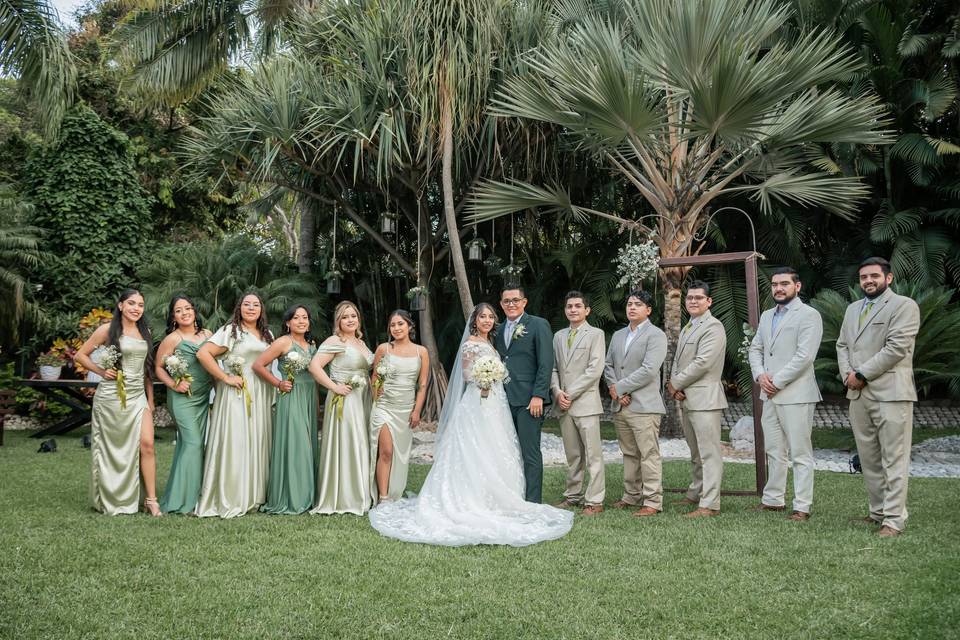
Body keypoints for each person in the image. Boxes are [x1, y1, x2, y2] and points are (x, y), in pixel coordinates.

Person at [368, 303, 573, 546]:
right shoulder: (471, 344)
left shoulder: (491, 344)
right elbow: (467, 375)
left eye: (490, 317)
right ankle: (469, 499)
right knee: (474, 448)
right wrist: (484, 377)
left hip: (496, 404)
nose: (486, 320)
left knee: (495, 448)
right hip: (477, 403)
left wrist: (494, 376)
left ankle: (496, 497)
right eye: (482, 317)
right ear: (474, 321)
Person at [836, 257, 920, 537]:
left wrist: (860, 374)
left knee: (893, 458)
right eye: (863, 277)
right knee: (869, 458)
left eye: (874, 276)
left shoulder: (904, 306)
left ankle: (894, 520)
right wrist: (848, 374)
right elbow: (842, 344)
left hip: (891, 394)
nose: (868, 281)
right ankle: (877, 512)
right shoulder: (851, 309)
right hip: (858, 395)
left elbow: (896, 348)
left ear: (889, 278)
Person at [75, 289, 159, 516]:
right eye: (131, 303)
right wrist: (101, 372)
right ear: (121, 305)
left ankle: (151, 500)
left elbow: (147, 370)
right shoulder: (107, 330)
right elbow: (80, 355)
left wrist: (150, 400)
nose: (136, 308)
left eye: (140, 305)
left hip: (138, 396)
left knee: (147, 445)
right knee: (112, 449)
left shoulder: (146, 332)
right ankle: (112, 497)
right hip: (111, 396)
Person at [748, 267, 823, 521]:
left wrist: (776, 382)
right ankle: (773, 499)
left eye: (784, 284)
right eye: (774, 284)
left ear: (797, 286)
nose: (778, 288)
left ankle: (802, 506)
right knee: (774, 450)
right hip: (768, 394)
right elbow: (755, 349)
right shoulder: (768, 315)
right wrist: (760, 376)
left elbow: (805, 356)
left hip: (796, 394)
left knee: (800, 452)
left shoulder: (809, 315)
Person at [195, 293, 275, 518]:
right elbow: (203, 353)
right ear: (239, 308)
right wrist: (225, 377)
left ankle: (256, 494)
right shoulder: (231, 331)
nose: (251, 308)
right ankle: (233, 495)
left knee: (258, 439)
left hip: (261, 391)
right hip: (237, 392)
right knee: (237, 441)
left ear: (261, 309)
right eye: (246, 304)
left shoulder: (267, 334)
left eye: (256, 304)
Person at [603, 290, 667, 517]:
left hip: (644, 405)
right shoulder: (619, 335)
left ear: (648, 310)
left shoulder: (656, 335)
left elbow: (649, 370)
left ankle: (652, 501)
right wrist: (616, 392)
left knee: (648, 454)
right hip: (621, 405)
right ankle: (631, 496)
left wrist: (620, 388)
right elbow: (608, 365)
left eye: (638, 304)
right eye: (629, 304)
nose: (631, 307)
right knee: (629, 453)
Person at [667, 280, 727, 517]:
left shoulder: (713, 327)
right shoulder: (688, 326)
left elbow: (703, 362)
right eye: (690, 298)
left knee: (709, 452)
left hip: (705, 398)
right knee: (695, 452)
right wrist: (674, 385)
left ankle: (710, 504)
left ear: (708, 301)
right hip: (686, 397)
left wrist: (676, 383)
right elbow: (678, 360)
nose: (693, 301)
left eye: (698, 298)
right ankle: (696, 493)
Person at [253, 304, 319, 515]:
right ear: (288, 322)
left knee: (308, 444)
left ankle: (309, 494)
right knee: (295, 443)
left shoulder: (311, 344)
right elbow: (258, 365)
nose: (301, 321)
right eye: (296, 318)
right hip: (291, 396)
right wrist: (278, 383)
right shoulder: (282, 342)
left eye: (305, 317)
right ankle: (293, 497)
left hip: (309, 396)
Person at [309, 301, 374, 515]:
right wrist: (334, 387)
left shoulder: (361, 343)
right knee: (348, 442)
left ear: (358, 319)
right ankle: (346, 496)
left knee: (361, 441)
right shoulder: (335, 341)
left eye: (353, 316)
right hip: (344, 400)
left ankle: (361, 491)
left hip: (363, 398)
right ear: (338, 321)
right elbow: (314, 366)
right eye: (345, 317)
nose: (350, 320)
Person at [495, 285, 555, 503]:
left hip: (529, 401)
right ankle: (512, 498)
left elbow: (546, 363)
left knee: (530, 453)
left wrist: (539, 395)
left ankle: (532, 502)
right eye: (506, 301)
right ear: (501, 304)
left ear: (524, 302)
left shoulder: (538, 325)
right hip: (501, 401)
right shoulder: (498, 330)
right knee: (506, 452)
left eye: (515, 300)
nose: (511, 304)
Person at [155, 295, 214, 514]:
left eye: (188, 308)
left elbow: (214, 364)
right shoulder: (173, 339)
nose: (184, 313)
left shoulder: (208, 335)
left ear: (195, 310)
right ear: (173, 316)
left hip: (203, 396)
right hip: (182, 398)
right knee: (193, 443)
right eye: (179, 310)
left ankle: (190, 494)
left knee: (192, 446)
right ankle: (182, 503)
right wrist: (173, 384)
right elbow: (159, 368)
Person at [551, 291, 607, 515]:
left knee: (593, 454)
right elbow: (553, 368)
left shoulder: (596, 334)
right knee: (573, 455)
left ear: (587, 310)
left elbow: (595, 370)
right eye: (569, 306)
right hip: (563, 404)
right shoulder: (558, 336)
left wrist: (570, 393)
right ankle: (573, 495)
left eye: (577, 306)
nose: (573, 309)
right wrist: (556, 392)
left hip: (585, 403)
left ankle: (595, 500)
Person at [370, 310, 429, 504]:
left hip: (406, 409)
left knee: (399, 454)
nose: (396, 328)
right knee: (386, 451)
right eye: (393, 325)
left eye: (400, 324)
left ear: (410, 326)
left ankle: (394, 490)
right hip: (384, 407)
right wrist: (377, 392)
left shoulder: (421, 352)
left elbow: (422, 385)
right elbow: (375, 379)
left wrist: (417, 410)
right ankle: (383, 497)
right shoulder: (383, 349)